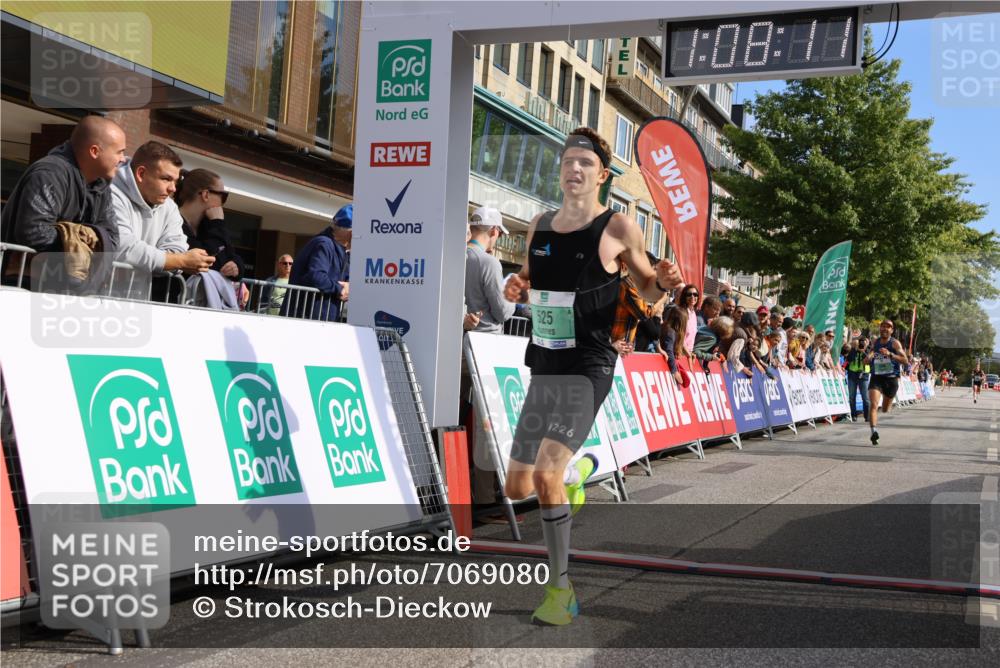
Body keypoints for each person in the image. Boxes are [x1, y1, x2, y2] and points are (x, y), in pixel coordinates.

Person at [501, 128, 683, 626]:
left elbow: (647, 289)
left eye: (584, 163)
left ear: (602, 175)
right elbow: (528, 278)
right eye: (568, 161)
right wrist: (517, 285)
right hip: (545, 361)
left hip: (590, 364)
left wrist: (663, 283)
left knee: (544, 475)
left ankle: (560, 591)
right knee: (516, 486)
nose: (574, 169)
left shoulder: (618, 226)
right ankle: (578, 475)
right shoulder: (539, 224)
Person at [2, 116, 126, 292]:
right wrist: (80, 240)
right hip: (21, 286)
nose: (123, 159)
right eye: (119, 152)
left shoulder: (100, 186)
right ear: (94, 151)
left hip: (62, 291)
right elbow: (33, 232)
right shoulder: (49, 173)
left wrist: (76, 237)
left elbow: (112, 240)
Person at [112, 141, 214, 299]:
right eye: (166, 179)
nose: (173, 188)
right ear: (141, 174)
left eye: (176, 181)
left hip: (136, 302)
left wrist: (168, 260)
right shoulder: (110, 194)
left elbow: (177, 248)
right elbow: (123, 248)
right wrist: (180, 261)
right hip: (92, 300)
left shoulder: (169, 206)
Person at [284, 205, 351, 321]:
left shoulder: (340, 250)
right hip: (306, 318)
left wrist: (348, 286)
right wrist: (340, 289)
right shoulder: (324, 244)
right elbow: (316, 275)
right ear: (350, 232)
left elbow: (344, 279)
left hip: (319, 318)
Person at [175, 168, 244, 280]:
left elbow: (231, 254)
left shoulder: (209, 224)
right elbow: (208, 261)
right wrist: (217, 224)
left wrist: (236, 266)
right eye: (223, 196)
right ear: (206, 195)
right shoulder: (173, 222)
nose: (223, 202)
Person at [464, 206, 515, 333]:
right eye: (500, 234)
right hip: (484, 338)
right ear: (494, 231)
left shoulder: (454, 256)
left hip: (456, 336)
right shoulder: (489, 262)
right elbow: (503, 312)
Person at [865, 319, 908, 445]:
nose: (884, 329)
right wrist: (869, 357)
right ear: (880, 329)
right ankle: (873, 432)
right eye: (883, 326)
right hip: (877, 377)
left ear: (892, 330)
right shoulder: (876, 342)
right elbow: (872, 351)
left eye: (888, 327)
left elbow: (905, 360)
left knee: (885, 409)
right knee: (873, 404)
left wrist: (890, 354)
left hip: (891, 379)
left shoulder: (895, 343)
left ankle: (885, 406)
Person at [659, 303, 692, 385]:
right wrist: (675, 371)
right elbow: (668, 351)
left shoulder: (671, 330)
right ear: (681, 322)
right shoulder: (670, 332)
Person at [845, 337, 871, 421]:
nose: (862, 345)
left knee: (865, 398)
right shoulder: (853, 351)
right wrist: (855, 349)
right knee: (852, 397)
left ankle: (867, 416)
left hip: (863, 376)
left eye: (864, 343)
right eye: (861, 343)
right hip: (852, 375)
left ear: (867, 344)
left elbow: (870, 363)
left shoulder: (868, 352)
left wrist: (864, 352)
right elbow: (848, 359)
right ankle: (854, 415)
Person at [676, 284, 700, 351]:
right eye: (689, 294)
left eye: (695, 294)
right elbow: (679, 337)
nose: (692, 296)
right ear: (684, 297)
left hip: (689, 352)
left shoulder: (693, 313)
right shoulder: (681, 313)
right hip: (680, 352)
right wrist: (688, 353)